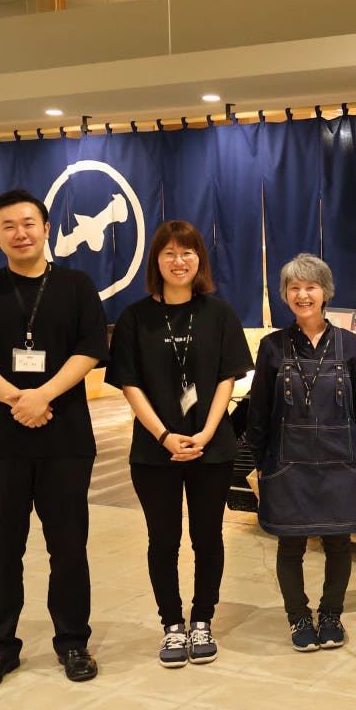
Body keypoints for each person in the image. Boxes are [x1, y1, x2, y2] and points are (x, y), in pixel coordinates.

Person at [0, 189, 107, 692]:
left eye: (29, 223)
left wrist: (44, 396)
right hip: (1, 442)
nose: (21, 233)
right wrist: (19, 399)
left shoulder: (77, 285)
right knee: (2, 550)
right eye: (9, 227)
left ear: (46, 228)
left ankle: (73, 642)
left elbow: (91, 349)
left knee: (69, 548)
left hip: (65, 440)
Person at [106, 220, 253, 667]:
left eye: (187, 252)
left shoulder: (219, 313)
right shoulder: (134, 318)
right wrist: (164, 435)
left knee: (208, 538)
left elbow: (228, 377)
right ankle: (172, 624)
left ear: (199, 259)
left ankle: (202, 619)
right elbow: (129, 384)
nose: (179, 260)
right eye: (168, 253)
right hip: (154, 451)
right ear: (156, 261)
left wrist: (206, 431)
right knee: (163, 540)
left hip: (212, 448)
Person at [246, 254, 356, 652]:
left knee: (339, 543)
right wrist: (262, 463)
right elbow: (258, 411)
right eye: (294, 288)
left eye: (311, 287)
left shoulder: (350, 344)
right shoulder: (271, 347)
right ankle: (298, 617)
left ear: (325, 292)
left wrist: (353, 452)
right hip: (287, 463)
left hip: (340, 461)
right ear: (285, 295)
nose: (303, 295)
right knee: (290, 545)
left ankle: (331, 614)